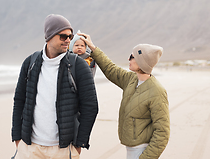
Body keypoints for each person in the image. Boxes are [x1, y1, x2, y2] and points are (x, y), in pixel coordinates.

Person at [11, 15, 98, 159]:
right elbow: (19, 99)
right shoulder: (30, 62)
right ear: (49, 36)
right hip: (29, 147)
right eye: (63, 36)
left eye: (70, 36)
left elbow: (91, 106)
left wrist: (79, 144)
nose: (68, 40)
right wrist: (17, 138)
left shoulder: (79, 65)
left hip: (63, 149)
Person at [78, 32, 170, 159]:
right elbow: (110, 69)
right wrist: (93, 48)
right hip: (131, 149)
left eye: (132, 56)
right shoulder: (131, 79)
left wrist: (145, 157)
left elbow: (162, 132)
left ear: (142, 62)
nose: (129, 59)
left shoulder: (157, 91)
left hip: (142, 151)